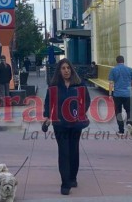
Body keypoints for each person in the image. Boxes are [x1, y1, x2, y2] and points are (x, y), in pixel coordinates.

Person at [43, 58, 91, 196]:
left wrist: (81, 112)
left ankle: (72, 177)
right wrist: (46, 116)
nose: (66, 71)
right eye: (63, 68)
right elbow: (48, 102)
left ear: (71, 69)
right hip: (60, 124)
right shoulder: (54, 85)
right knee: (64, 152)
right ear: (59, 70)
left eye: (68, 68)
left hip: (76, 124)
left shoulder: (79, 84)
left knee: (73, 150)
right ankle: (65, 184)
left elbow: (87, 100)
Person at [108, 55, 132, 137]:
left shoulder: (113, 70)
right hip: (127, 94)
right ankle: (129, 123)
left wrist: (110, 94)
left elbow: (111, 83)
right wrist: (130, 89)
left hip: (117, 94)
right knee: (129, 110)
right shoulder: (129, 69)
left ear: (117, 61)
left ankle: (121, 131)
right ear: (123, 61)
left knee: (118, 112)